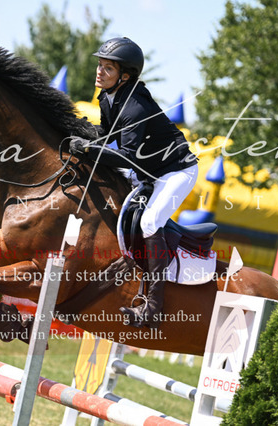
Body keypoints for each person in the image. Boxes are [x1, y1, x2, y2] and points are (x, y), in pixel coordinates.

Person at [68, 37, 199, 329]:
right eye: (100, 65)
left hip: (176, 172)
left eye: (108, 68)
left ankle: (153, 306)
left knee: (150, 223)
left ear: (125, 76)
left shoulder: (135, 107)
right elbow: (106, 133)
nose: (99, 72)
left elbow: (128, 157)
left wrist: (88, 149)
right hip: (148, 172)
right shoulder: (108, 96)